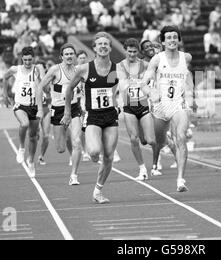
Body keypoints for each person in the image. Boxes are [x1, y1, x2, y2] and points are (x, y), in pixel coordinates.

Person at [61, 32, 119, 204]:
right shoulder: (85, 69)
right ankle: (94, 156)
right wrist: (67, 112)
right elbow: (69, 89)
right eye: (99, 44)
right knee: (94, 152)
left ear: (109, 47)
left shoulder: (117, 69)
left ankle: (98, 191)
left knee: (108, 156)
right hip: (93, 116)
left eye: (106, 44)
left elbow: (119, 87)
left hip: (111, 116)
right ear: (94, 48)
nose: (103, 46)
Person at [141, 26, 194, 192]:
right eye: (168, 37)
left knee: (181, 137)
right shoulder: (157, 59)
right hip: (160, 106)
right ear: (162, 41)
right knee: (154, 141)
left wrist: (190, 97)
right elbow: (144, 84)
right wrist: (151, 92)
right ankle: (165, 141)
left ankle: (180, 180)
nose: (172, 40)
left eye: (175, 37)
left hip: (178, 104)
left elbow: (189, 79)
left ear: (178, 39)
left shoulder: (186, 57)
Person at [37, 44, 83, 186]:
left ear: (74, 56)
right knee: (60, 148)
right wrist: (40, 108)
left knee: (77, 142)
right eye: (66, 54)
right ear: (61, 57)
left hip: (74, 108)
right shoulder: (55, 70)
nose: (69, 56)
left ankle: (74, 175)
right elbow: (40, 87)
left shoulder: (79, 70)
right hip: (58, 110)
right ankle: (66, 138)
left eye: (71, 53)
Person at [117, 38, 156, 181]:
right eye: (129, 51)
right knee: (133, 139)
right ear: (125, 50)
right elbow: (115, 85)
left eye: (134, 52)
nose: (132, 54)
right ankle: (142, 169)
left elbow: (158, 71)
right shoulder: (119, 66)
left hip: (144, 105)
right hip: (129, 107)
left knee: (150, 140)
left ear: (138, 52)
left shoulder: (145, 65)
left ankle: (156, 162)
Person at [3, 47, 44, 177]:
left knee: (33, 136)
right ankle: (21, 148)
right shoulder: (16, 69)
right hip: (21, 105)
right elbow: (4, 77)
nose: (27, 62)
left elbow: (43, 84)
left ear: (33, 59)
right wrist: (5, 95)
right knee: (24, 124)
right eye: (25, 60)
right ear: (22, 59)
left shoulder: (37, 69)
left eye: (29, 60)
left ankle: (31, 161)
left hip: (35, 106)